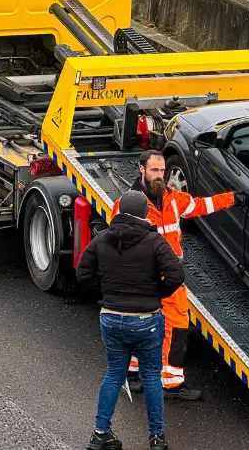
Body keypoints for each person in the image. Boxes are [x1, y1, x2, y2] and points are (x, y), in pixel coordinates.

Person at [77, 190, 185, 450]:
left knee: (114, 374)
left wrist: (106, 293)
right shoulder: (155, 242)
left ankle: (101, 434)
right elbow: (176, 274)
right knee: (150, 376)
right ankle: (157, 438)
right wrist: (156, 294)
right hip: (146, 319)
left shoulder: (102, 239)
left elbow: (83, 273)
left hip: (112, 318)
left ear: (119, 212)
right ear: (144, 214)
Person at [126, 149, 238, 401]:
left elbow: (202, 205)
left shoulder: (173, 199)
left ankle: (170, 382)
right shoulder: (130, 206)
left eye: (162, 171)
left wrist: (233, 199)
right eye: (154, 170)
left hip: (171, 277)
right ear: (141, 170)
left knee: (176, 325)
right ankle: (133, 373)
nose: (159, 176)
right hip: (146, 276)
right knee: (141, 324)